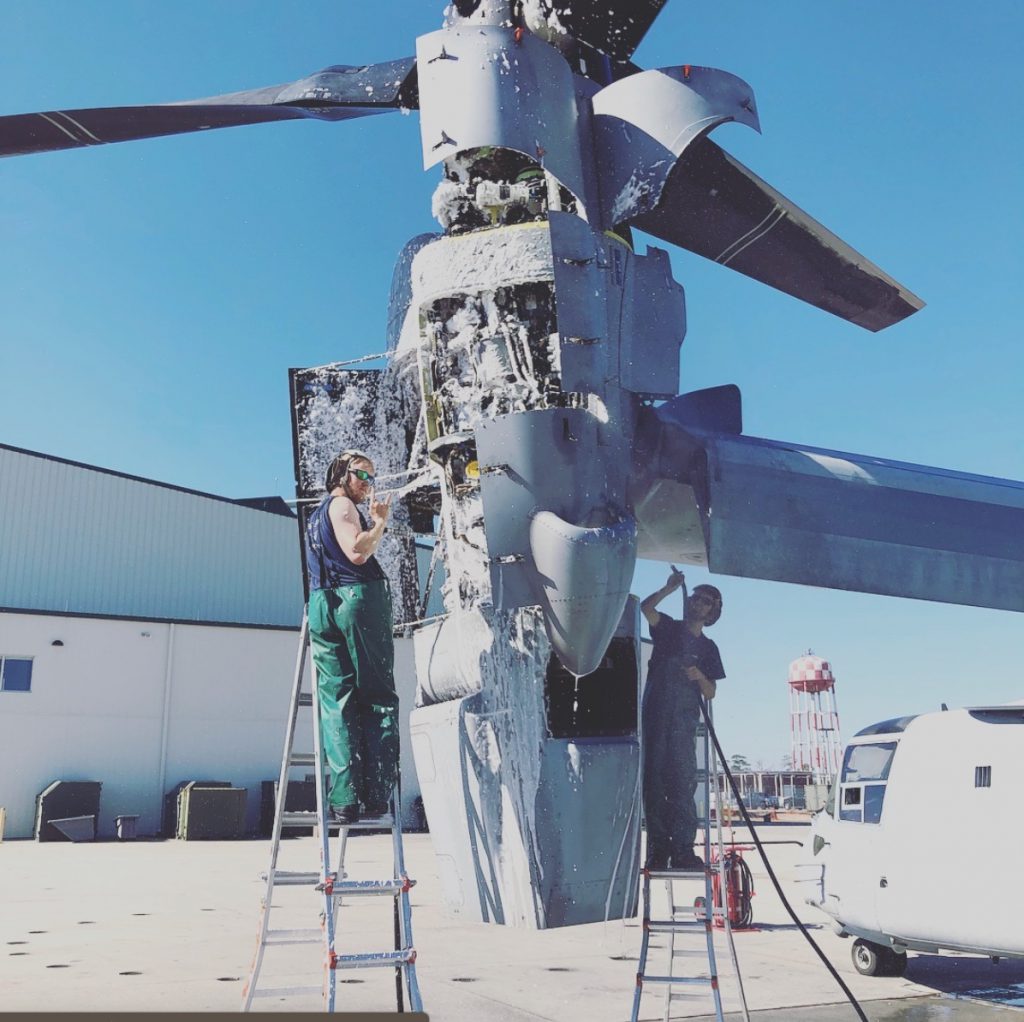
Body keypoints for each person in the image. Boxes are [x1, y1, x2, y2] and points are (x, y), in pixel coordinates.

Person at [304, 448, 397, 825]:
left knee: (336, 702)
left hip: (320, 605)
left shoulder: (314, 518)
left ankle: (344, 800)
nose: (368, 485)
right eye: (363, 475)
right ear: (341, 474)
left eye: (373, 478)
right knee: (377, 697)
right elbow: (358, 552)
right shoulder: (343, 509)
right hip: (356, 599)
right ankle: (375, 795)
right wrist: (378, 524)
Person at [640, 568, 725, 870]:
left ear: (713, 611)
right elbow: (646, 608)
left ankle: (683, 851)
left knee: (681, 784)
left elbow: (711, 692)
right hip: (656, 717)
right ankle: (658, 851)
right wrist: (669, 588)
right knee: (654, 783)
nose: (698, 603)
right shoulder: (668, 630)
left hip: (684, 724)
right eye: (695, 597)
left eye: (705, 601)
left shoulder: (708, 649)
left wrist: (699, 675)